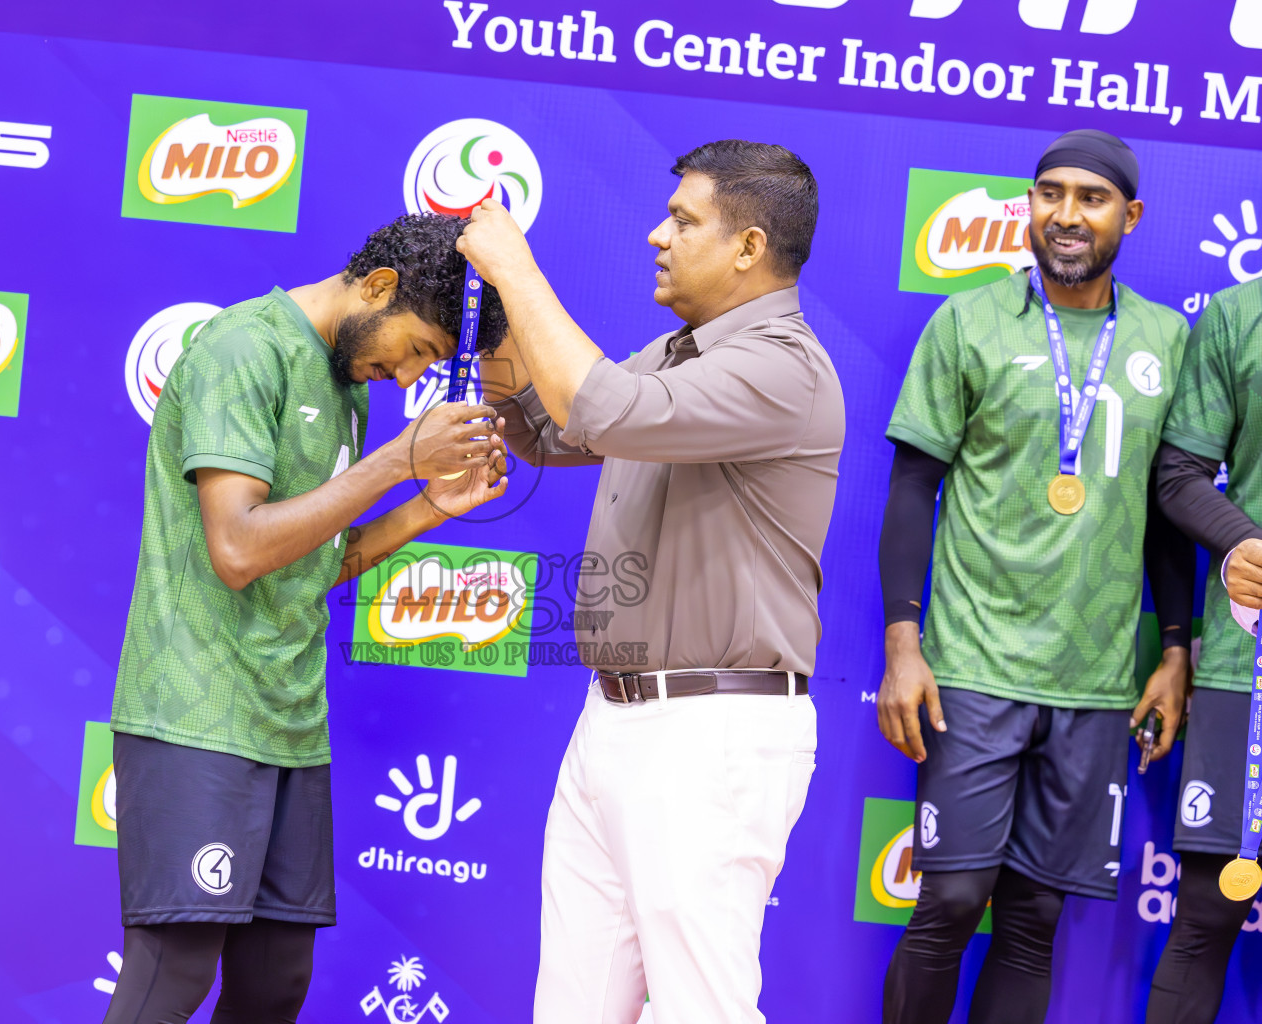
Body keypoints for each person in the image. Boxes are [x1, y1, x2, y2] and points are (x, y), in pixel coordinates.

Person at [458, 139, 843, 1024]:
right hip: (616, 720)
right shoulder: (679, 351)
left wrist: (517, 269)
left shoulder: (785, 364)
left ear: (748, 247)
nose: (655, 236)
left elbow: (599, 409)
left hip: (712, 733)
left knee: (700, 1010)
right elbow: (546, 431)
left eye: (682, 219)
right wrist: (486, 312)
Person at [103, 213, 509, 1024]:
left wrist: (431, 503)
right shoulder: (242, 349)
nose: (407, 378)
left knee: (274, 983)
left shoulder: (348, 384)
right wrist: (400, 461)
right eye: (419, 350)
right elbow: (240, 548)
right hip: (197, 716)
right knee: (173, 973)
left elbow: (322, 558)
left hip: (289, 722)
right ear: (380, 287)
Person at [876, 129, 1194, 1024]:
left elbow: (1168, 514)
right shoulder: (968, 322)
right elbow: (912, 491)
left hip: (1095, 682)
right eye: (1048, 193)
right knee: (947, 902)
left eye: (1090, 198)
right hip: (973, 668)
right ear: (1028, 204)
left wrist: (1173, 649)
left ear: (1128, 217)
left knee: (1034, 918)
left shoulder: (1166, 340)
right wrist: (905, 642)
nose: (1065, 214)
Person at [1147, 276, 1262, 1024]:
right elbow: (1180, 475)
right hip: (1245, 661)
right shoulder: (1241, 313)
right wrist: (1241, 541)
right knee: (1208, 910)